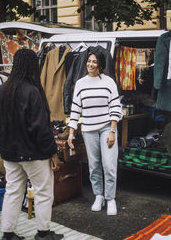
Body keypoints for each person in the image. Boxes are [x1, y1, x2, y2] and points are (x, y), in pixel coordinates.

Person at [0, 49, 63, 240]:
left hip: (9, 152)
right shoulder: (33, 91)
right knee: (43, 192)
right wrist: (53, 153)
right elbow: (41, 128)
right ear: (33, 66)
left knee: (13, 192)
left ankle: (7, 234)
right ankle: (43, 233)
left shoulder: (2, 90)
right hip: (34, 153)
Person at [67, 48, 123, 216]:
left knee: (109, 165)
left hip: (107, 127)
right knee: (94, 165)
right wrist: (71, 132)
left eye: (94, 62)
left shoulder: (108, 82)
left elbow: (115, 107)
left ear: (100, 64)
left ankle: (110, 198)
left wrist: (113, 130)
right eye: (89, 61)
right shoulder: (80, 83)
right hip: (88, 129)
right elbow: (75, 109)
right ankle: (98, 196)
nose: (90, 64)